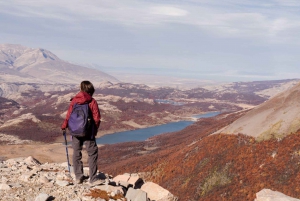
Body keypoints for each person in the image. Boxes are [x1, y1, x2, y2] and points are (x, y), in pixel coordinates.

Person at [61, 80, 102, 185]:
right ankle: (93, 178)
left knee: (76, 153)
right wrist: (95, 129)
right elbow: (96, 118)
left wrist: (64, 125)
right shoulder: (92, 101)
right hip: (88, 132)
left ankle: (79, 177)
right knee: (92, 154)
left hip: (75, 131)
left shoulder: (74, 100)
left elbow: (69, 115)